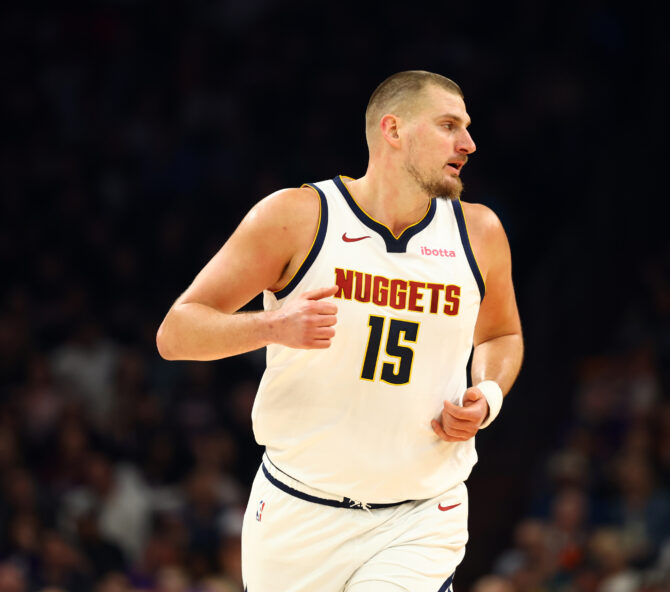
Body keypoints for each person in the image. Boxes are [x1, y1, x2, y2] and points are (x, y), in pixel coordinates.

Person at [156, 70, 523, 591]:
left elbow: (501, 335)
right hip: (299, 510)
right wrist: (272, 326)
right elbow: (176, 333)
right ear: (393, 130)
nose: (468, 143)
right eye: (448, 125)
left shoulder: (478, 232)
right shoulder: (298, 217)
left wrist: (487, 395)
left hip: (419, 516)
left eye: (465, 127)